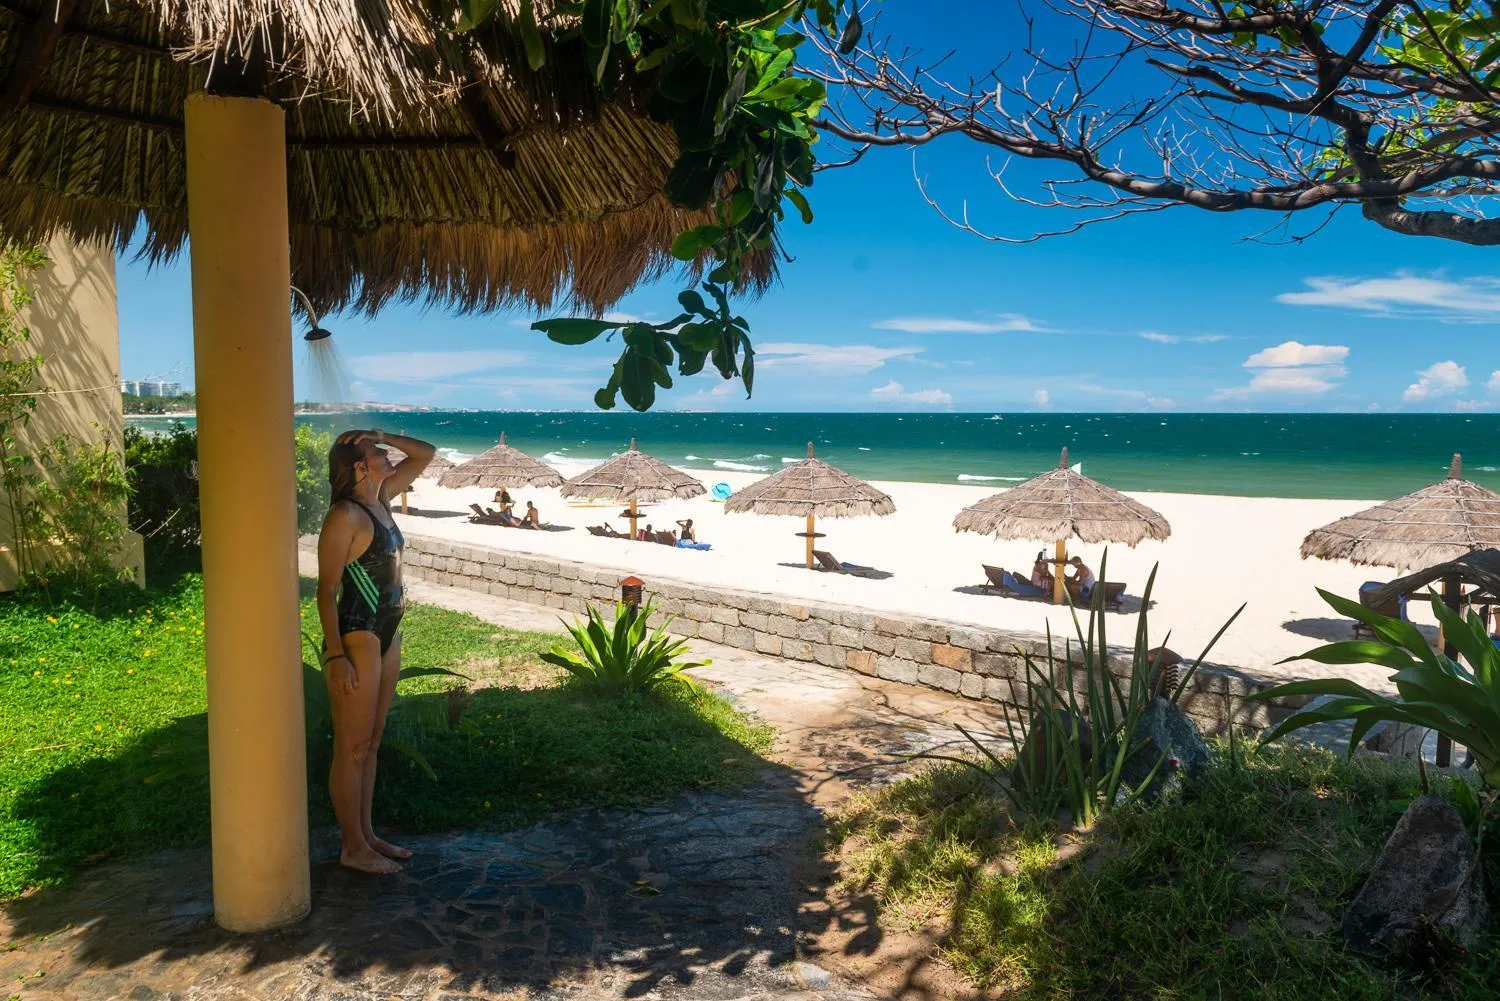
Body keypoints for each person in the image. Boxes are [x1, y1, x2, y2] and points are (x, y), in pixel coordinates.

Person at [316, 428, 435, 874]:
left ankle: (367, 836)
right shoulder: (345, 515)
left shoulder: (380, 501)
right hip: (358, 634)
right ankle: (352, 848)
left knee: (373, 742)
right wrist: (334, 655)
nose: (387, 454)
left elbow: (426, 453)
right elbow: (326, 592)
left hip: (389, 632)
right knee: (352, 747)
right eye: (377, 452)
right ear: (360, 468)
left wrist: (379, 433)